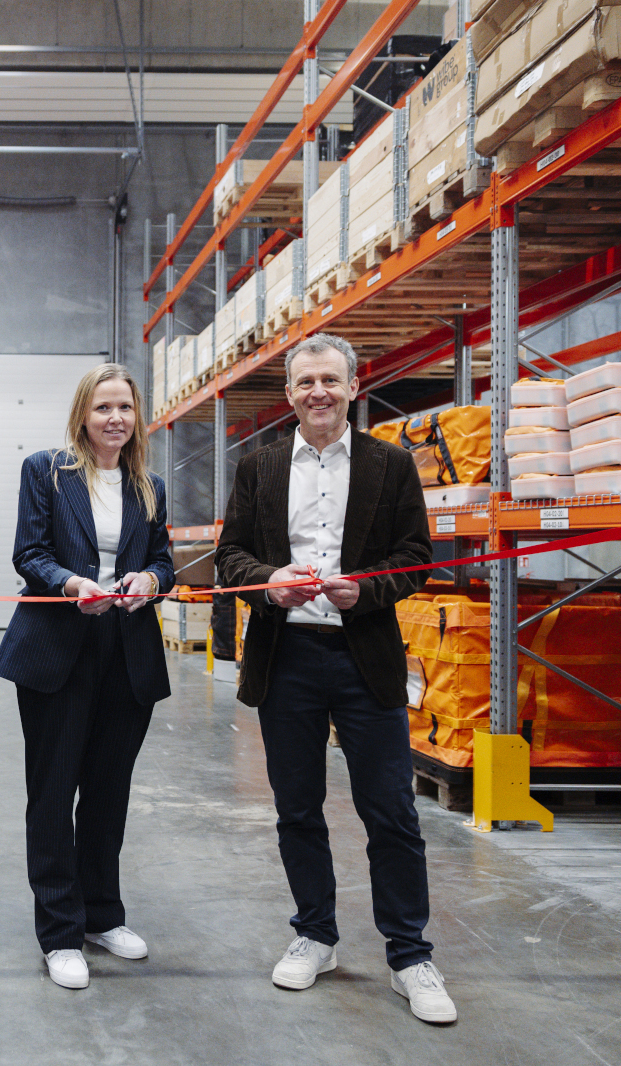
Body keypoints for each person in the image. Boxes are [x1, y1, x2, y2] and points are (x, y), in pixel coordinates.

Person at [214, 333, 454, 1023]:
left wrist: (368, 594)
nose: (317, 391)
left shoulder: (390, 464)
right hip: (285, 659)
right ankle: (314, 934)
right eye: (304, 381)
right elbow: (230, 556)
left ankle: (410, 954)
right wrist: (269, 582)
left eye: (330, 379)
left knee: (392, 811)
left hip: (363, 657)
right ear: (289, 394)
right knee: (297, 807)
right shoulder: (258, 468)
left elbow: (415, 558)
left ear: (354, 385)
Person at [0, 363, 174, 990]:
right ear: (82, 415)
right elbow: (29, 552)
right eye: (103, 408)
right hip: (58, 647)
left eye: (125, 407)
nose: (115, 418)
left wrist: (150, 582)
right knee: (52, 791)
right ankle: (60, 931)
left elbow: (162, 561)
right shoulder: (45, 470)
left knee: (107, 790)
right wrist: (72, 585)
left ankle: (101, 915)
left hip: (127, 651)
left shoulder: (149, 484)